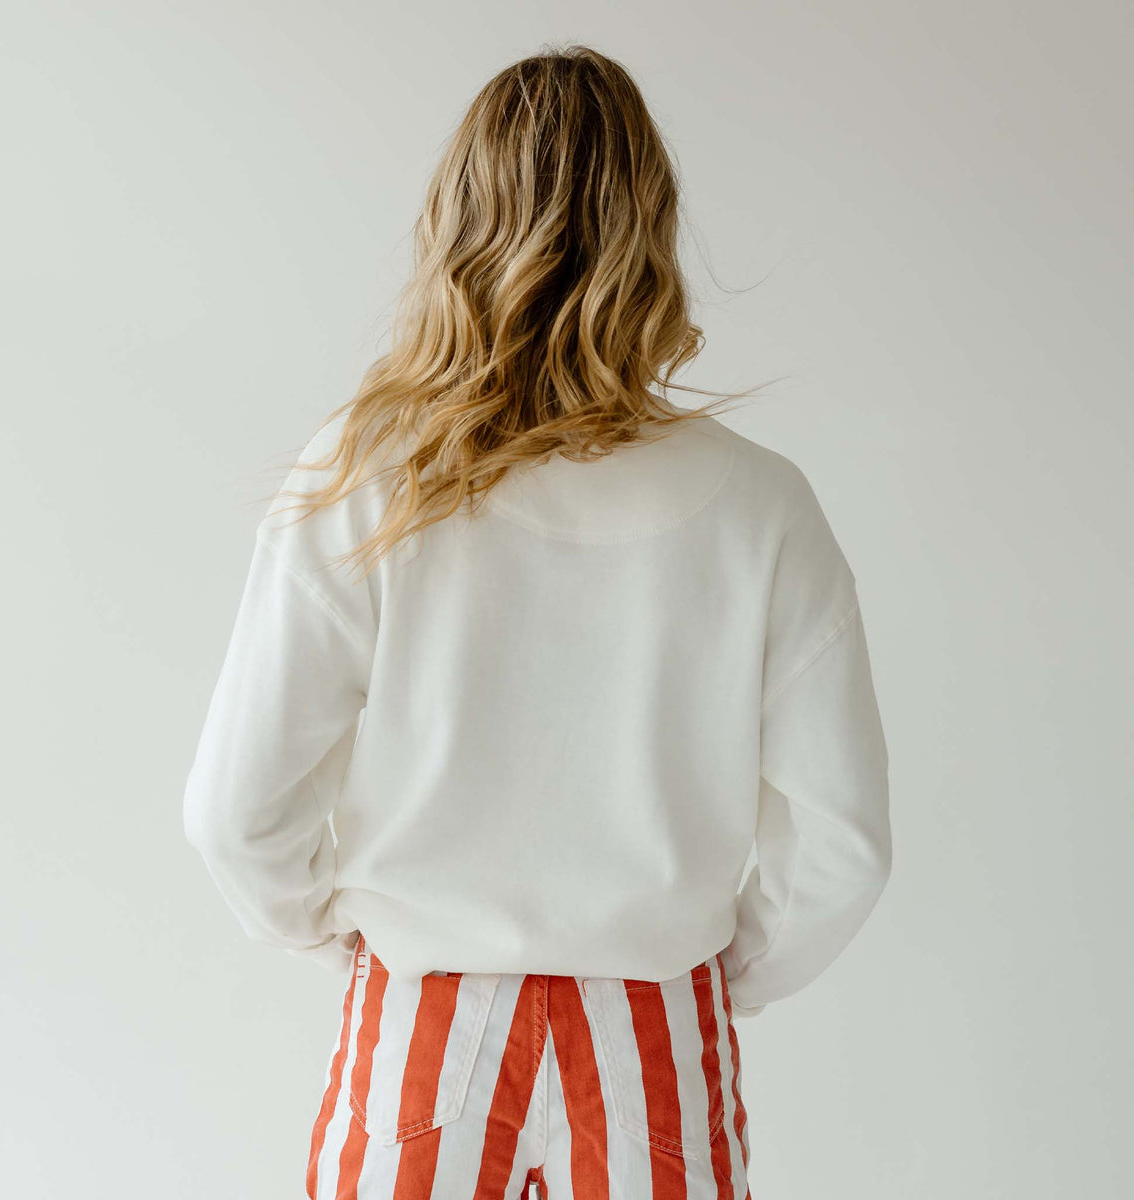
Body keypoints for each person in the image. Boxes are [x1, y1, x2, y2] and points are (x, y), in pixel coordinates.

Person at [181, 43, 891, 1200]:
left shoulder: (368, 477)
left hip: (424, 1021)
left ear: (455, 225)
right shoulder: (762, 504)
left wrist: (354, 936)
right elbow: (844, 843)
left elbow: (232, 813)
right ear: (650, 230)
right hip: (653, 1032)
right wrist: (706, 964)